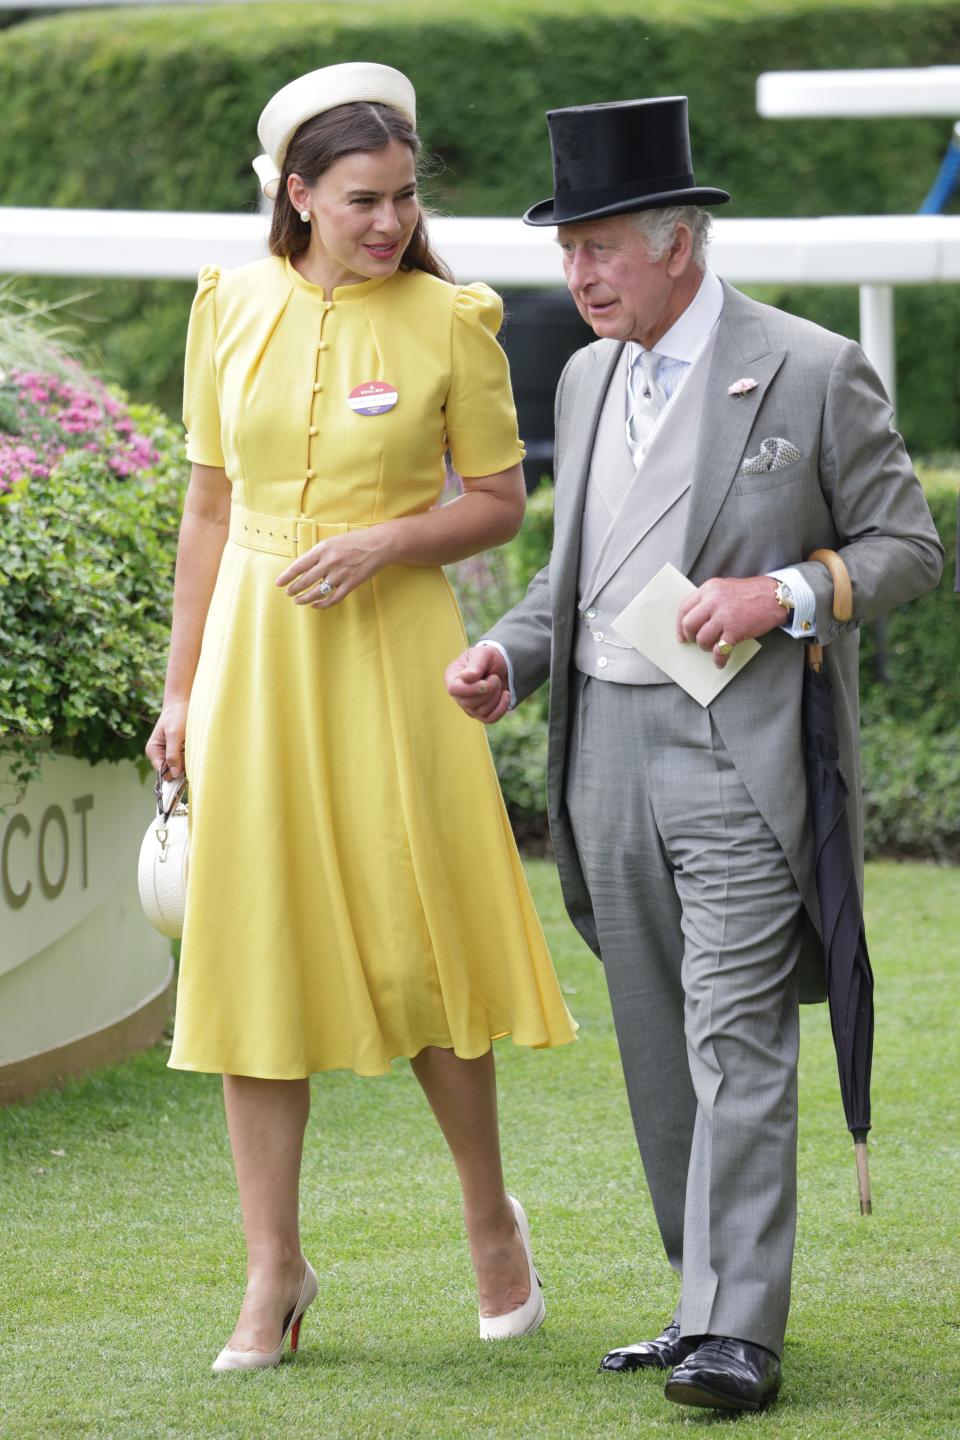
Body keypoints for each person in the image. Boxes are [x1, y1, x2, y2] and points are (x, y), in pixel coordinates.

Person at [447, 96, 943, 1413]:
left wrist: (781, 592)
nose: (579, 275)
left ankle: (740, 1328)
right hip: (601, 745)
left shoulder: (813, 366)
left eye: (601, 246)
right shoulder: (582, 373)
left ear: (681, 241)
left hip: (740, 750)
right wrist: (509, 654)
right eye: (568, 251)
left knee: (737, 1030)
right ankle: (696, 1300)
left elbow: (909, 551)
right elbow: (574, 575)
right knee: (659, 1037)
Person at [146, 62, 576, 1373]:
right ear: (298, 194)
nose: (389, 221)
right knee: (251, 956)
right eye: (361, 199)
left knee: (423, 941)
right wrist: (178, 691)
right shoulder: (227, 305)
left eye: (402, 197)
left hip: (400, 658)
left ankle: (489, 1222)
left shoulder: (455, 318)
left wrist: (388, 543)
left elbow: (500, 501)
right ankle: (273, 1271)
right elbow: (211, 511)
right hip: (254, 666)